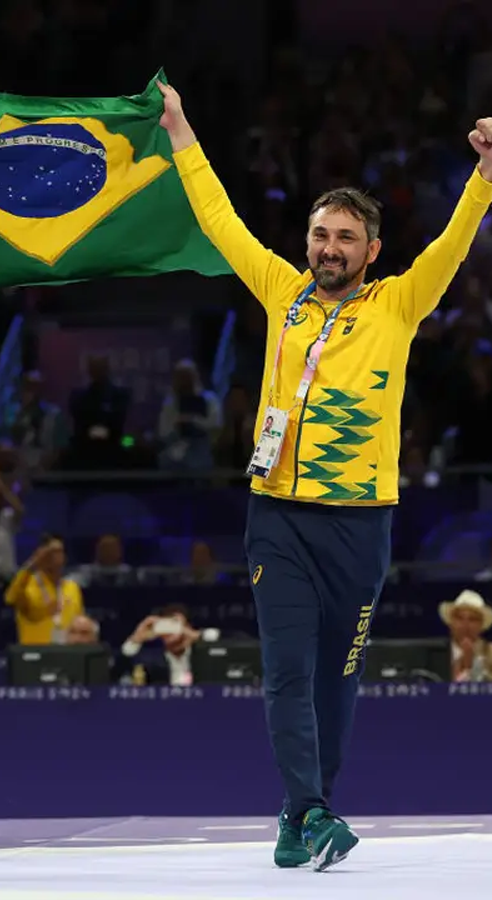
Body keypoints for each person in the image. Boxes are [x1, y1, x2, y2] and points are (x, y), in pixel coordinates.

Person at [157, 81, 492, 871]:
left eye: (344, 237)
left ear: (370, 250)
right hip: (277, 513)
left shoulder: (400, 305)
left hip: (361, 522)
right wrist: (180, 130)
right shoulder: (281, 292)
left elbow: (451, 244)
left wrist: (482, 176)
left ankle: (303, 811)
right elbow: (219, 219)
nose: (329, 248)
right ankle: (308, 808)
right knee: (286, 670)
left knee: (340, 679)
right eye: (319, 234)